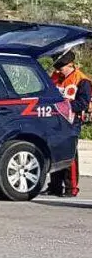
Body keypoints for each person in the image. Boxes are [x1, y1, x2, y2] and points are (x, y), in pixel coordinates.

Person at [47, 49, 91, 197]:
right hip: (55, 120)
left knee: (70, 155)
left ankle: (71, 187)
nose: (59, 71)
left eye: (62, 68)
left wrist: (66, 107)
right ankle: (54, 186)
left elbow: (83, 103)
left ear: (70, 65)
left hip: (72, 121)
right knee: (54, 152)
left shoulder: (82, 80)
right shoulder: (55, 77)